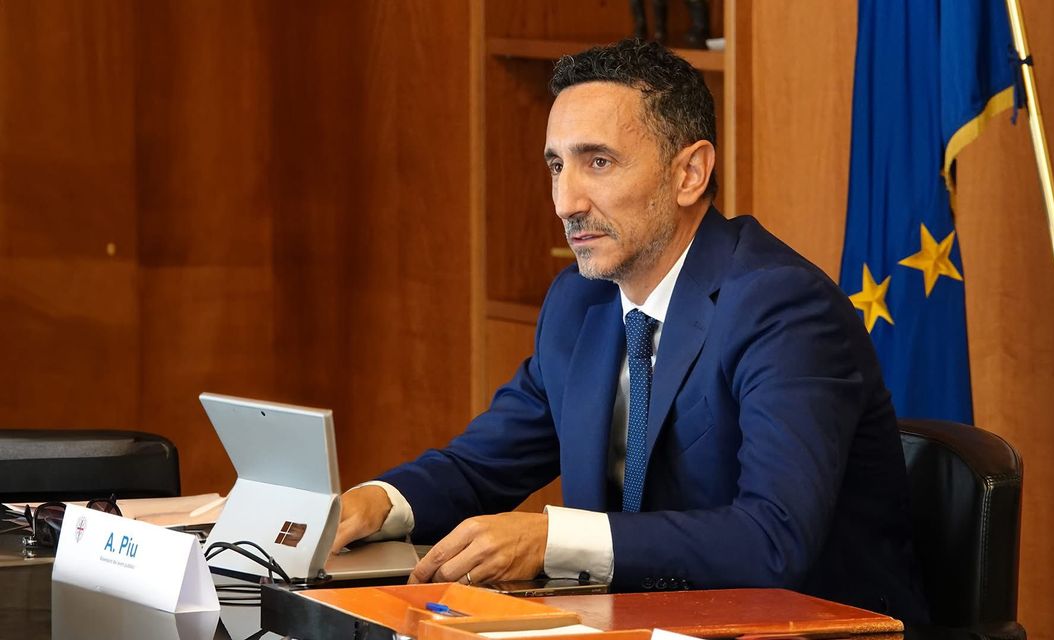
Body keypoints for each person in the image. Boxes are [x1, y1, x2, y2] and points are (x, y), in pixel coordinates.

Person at [333, 39, 928, 623]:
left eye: (598, 162)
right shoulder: (579, 301)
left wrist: (554, 539)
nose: (566, 202)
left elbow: (773, 540)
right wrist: (377, 502)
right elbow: (481, 466)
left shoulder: (782, 306)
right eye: (556, 166)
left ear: (689, 173)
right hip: (633, 622)